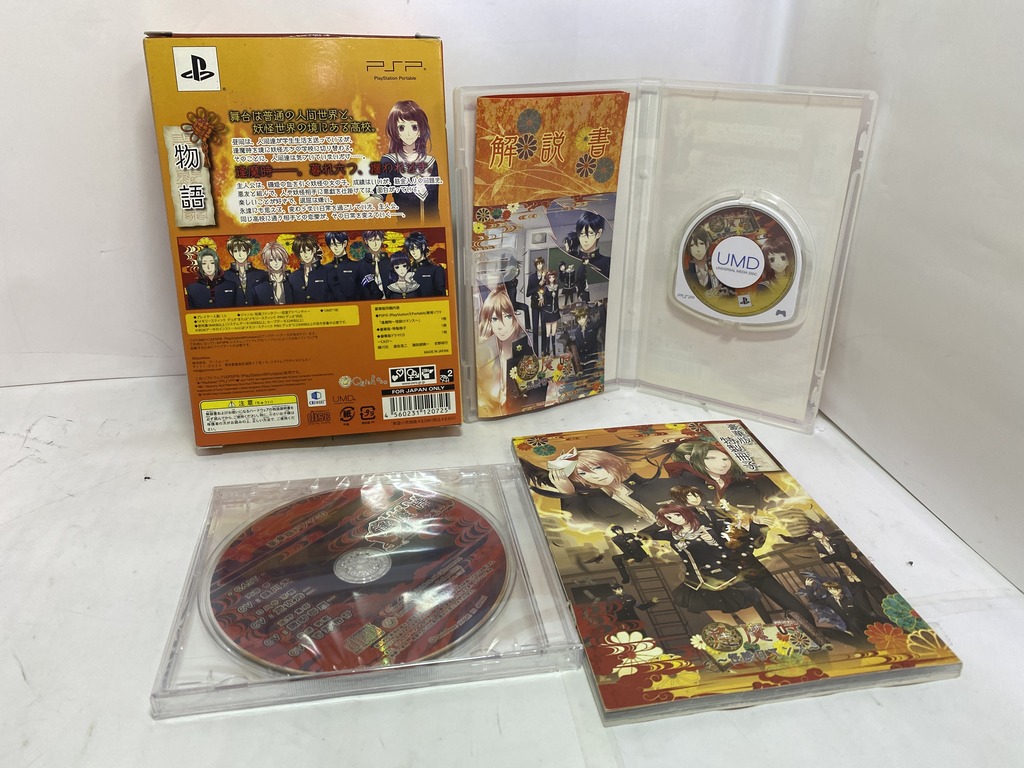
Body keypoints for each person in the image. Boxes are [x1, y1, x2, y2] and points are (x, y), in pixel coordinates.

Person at [477, 285, 545, 415]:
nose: (501, 326)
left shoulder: (521, 345)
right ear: (488, 322)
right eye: (494, 319)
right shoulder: (490, 348)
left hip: (519, 408)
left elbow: (535, 385)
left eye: (507, 316)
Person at [375, 100, 439, 222]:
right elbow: (380, 191)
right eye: (402, 127)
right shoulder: (389, 161)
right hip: (405, 229)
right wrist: (373, 200)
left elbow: (434, 206)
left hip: (434, 228)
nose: (409, 133)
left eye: (414, 127)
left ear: (420, 130)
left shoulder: (431, 161)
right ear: (395, 130)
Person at [287, 233, 332, 303]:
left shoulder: (327, 272)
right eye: (301, 252)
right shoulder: (292, 277)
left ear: (314, 249)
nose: (305, 255)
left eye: (308, 250)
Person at [223, 235, 267, 306]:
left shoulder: (261, 274)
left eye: (243, 250)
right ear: (231, 252)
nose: (240, 255)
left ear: (248, 251)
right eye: (236, 251)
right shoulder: (225, 276)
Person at [407, 231, 446, 296]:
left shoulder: (436, 270)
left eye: (416, 248)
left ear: (423, 247)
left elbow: (441, 296)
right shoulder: (407, 270)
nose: (413, 252)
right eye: (411, 249)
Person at [576, 211, 609, 277]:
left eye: (591, 233)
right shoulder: (572, 260)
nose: (585, 239)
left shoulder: (607, 262)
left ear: (598, 233)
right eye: (582, 234)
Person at [540, 271, 561, 355]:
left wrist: (557, 309)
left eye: (553, 277)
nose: (551, 279)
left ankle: (554, 350)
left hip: (555, 310)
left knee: (554, 332)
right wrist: (541, 298)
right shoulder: (546, 287)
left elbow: (556, 299)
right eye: (550, 277)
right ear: (547, 278)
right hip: (548, 311)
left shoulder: (557, 286)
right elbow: (543, 297)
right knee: (548, 332)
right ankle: (547, 350)